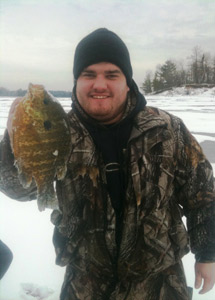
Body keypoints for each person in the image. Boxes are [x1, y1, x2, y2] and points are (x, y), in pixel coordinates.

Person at [0, 28, 215, 299]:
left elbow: (203, 194)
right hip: (84, 285)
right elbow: (21, 190)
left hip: (160, 284)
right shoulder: (57, 131)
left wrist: (207, 253)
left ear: (127, 82)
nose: (99, 84)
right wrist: (13, 143)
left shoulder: (168, 129)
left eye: (112, 75)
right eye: (88, 75)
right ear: (76, 82)